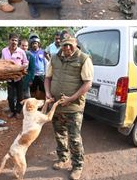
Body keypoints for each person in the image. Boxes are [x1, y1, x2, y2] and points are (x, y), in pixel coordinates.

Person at [44, 35, 93, 180]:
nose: (67, 48)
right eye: (65, 45)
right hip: (56, 106)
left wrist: (71, 98)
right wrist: (47, 93)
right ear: (60, 44)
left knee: (74, 138)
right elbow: (48, 78)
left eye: (70, 45)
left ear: (75, 44)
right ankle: (62, 158)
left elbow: (87, 83)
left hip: (74, 107)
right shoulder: (54, 58)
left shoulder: (84, 59)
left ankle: (77, 165)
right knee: (59, 134)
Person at [1, 33, 28, 117]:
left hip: (19, 77)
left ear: (17, 42)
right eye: (12, 40)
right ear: (9, 40)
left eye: (16, 40)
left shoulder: (21, 51)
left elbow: (26, 62)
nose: (14, 42)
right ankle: (12, 111)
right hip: (9, 78)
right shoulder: (4, 51)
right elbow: (2, 62)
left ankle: (18, 111)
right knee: (10, 97)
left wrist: (22, 69)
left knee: (20, 96)